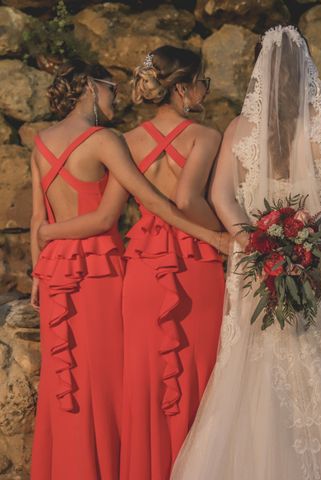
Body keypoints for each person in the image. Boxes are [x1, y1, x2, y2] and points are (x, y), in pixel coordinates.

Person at [170, 26, 321, 480]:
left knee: (254, 362)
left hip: (257, 262)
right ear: (309, 69)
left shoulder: (238, 129)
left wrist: (258, 243)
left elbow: (222, 197)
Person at [30, 59, 223, 480]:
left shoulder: (42, 141)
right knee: (110, 388)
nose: (117, 96)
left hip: (57, 273)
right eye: (110, 88)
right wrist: (215, 238)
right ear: (90, 87)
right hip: (99, 272)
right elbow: (129, 211)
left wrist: (38, 261)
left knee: (69, 387)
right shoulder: (105, 140)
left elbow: (35, 220)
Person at [119, 46, 227, 480]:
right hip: (196, 263)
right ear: (182, 88)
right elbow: (188, 199)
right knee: (203, 373)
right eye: (203, 82)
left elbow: (115, 210)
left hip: (144, 265)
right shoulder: (206, 136)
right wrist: (223, 234)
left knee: (147, 378)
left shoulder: (126, 141)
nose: (205, 90)